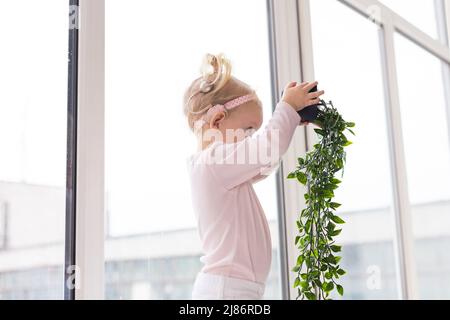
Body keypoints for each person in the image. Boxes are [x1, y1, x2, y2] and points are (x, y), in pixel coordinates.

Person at [183, 53, 324, 299]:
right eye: (249, 130)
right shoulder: (214, 160)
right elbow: (267, 150)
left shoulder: (216, 167)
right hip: (226, 291)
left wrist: (289, 120)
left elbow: (266, 163)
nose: (250, 139)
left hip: (232, 288)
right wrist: (287, 109)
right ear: (217, 120)